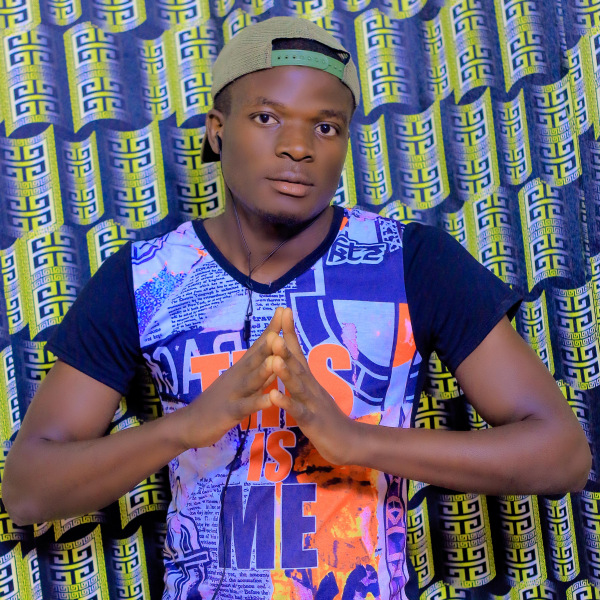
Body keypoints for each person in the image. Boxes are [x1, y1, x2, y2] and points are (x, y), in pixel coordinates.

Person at [3, 16, 591, 600]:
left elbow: (560, 454)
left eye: (326, 127)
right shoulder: (148, 276)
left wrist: (355, 441)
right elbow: (28, 490)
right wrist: (186, 427)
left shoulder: (411, 262)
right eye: (267, 117)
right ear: (216, 130)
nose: (298, 147)